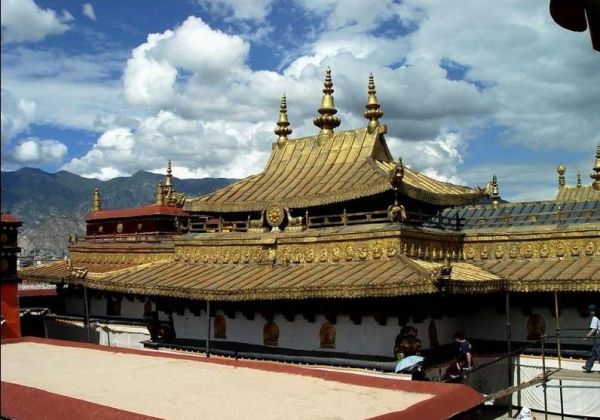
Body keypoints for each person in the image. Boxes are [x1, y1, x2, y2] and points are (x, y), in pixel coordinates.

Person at [582, 304, 600, 373]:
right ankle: (588, 366)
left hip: (598, 337)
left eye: (590, 311)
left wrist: (587, 337)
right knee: (593, 352)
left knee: (598, 352)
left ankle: (588, 366)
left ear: (593, 311)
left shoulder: (595, 318)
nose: (589, 312)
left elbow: (593, 329)